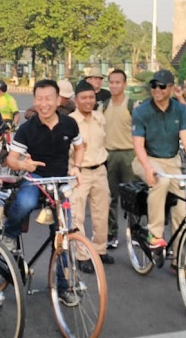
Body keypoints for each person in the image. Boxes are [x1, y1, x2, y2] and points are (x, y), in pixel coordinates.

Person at [2, 79, 84, 306]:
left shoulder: (70, 124)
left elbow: (80, 146)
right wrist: (23, 166)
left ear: (58, 100)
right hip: (35, 177)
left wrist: (76, 166)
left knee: (63, 236)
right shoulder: (27, 129)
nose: (43, 103)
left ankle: (63, 286)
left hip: (59, 182)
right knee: (26, 202)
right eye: (39, 98)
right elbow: (11, 159)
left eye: (49, 98)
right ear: (34, 100)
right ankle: (9, 232)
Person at [131, 69, 186, 283]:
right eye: (153, 86)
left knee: (183, 208)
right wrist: (147, 167)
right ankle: (154, 234)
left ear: (172, 88)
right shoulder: (142, 111)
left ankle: (180, 262)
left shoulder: (180, 110)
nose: (156, 90)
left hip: (172, 161)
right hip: (146, 159)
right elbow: (138, 145)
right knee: (160, 179)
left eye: (161, 86)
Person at [69, 80, 114, 270]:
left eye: (91, 97)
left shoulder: (99, 117)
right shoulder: (70, 121)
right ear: (76, 100)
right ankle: (82, 255)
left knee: (101, 213)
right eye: (83, 98)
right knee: (77, 214)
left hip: (100, 170)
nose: (88, 101)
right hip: (79, 172)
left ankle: (99, 250)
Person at [101, 69, 136, 249]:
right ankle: (111, 233)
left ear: (124, 84)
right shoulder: (104, 105)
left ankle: (136, 232)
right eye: (111, 82)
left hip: (130, 154)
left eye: (118, 82)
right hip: (109, 155)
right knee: (110, 197)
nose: (114, 85)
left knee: (133, 197)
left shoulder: (132, 105)